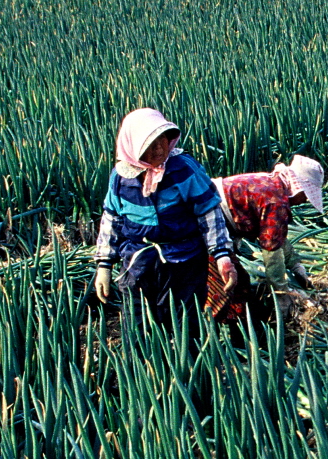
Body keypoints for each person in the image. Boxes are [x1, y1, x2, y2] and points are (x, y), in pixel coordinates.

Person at [92, 108, 237, 328]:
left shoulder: (183, 170)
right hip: (138, 263)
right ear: (134, 147)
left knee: (185, 325)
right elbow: (111, 220)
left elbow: (209, 213)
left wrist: (222, 255)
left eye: (162, 140)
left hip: (184, 261)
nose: (159, 148)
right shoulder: (121, 178)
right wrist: (104, 266)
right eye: (150, 144)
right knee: (138, 325)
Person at [218, 155, 326, 291]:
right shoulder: (276, 201)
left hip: (209, 211)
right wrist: (281, 291)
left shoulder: (273, 182)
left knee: (239, 283)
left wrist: (295, 265)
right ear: (299, 188)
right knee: (231, 287)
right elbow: (272, 251)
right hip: (208, 221)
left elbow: (276, 238)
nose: (305, 200)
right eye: (306, 195)